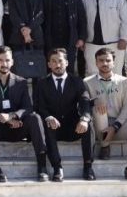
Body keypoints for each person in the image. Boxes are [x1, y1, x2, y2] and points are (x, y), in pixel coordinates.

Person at [0, 47, 49, 182]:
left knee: (35, 117)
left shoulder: (21, 81)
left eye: (7, 60)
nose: (4, 64)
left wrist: (13, 116)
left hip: (17, 127)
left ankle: (42, 167)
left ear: (12, 62)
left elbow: (27, 107)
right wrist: (2, 117)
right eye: (0, 60)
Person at [83, 48, 127, 181]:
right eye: (101, 60)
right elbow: (83, 104)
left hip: (118, 125)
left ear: (114, 62)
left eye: (108, 60)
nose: (105, 63)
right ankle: (105, 146)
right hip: (99, 127)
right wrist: (94, 103)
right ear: (96, 62)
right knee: (98, 107)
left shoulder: (124, 81)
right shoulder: (87, 82)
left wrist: (116, 126)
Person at [35, 49, 95, 181]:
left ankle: (88, 166)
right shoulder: (42, 83)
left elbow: (85, 101)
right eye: (54, 61)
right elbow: (39, 106)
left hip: (73, 128)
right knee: (47, 124)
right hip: (53, 128)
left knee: (88, 125)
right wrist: (48, 117)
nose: (57, 65)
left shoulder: (77, 81)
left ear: (67, 63)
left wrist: (84, 118)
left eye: (60, 61)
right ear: (49, 64)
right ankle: (57, 168)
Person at [81, 0, 127, 76]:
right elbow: (81, 21)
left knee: (116, 75)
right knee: (93, 75)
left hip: (115, 44)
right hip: (91, 44)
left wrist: (124, 38)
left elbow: (126, 21)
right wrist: (82, 39)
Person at [42, 0, 86, 77]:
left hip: (69, 40)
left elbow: (82, 18)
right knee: (50, 70)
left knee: (69, 70)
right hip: (49, 41)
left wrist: (82, 38)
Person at [7, 0, 47, 79]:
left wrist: (29, 29)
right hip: (18, 35)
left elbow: (40, 14)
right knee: (19, 70)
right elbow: (13, 15)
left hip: (36, 35)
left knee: (37, 70)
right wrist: (24, 29)